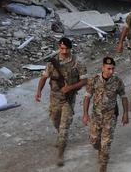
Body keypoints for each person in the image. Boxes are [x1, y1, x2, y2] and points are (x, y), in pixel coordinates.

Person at [35, 37, 87, 166]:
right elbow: (44, 78)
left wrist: (70, 87)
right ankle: (60, 136)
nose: (64, 51)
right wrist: (38, 92)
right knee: (55, 120)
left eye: (66, 48)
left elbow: (84, 81)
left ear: (70, 48)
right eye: (61, 48)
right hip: (55, 98)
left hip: (68, 99)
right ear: (59, 47)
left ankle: (60, 154)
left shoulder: (77, 62)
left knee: (64, 128)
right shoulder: (52, 62)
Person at [83, 57, 129, 172]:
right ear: (102, 67)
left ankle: (103, 165)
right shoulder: (94, 79)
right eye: (108, 68)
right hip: (96, 116)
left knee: (106, 143)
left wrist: (125, 114)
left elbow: (123, 97)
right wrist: (85, 114)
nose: (111, 71)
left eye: (113, 69)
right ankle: (100, 150)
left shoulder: (117, 81)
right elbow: (87, 97)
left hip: (110, 116)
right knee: (94, 141)